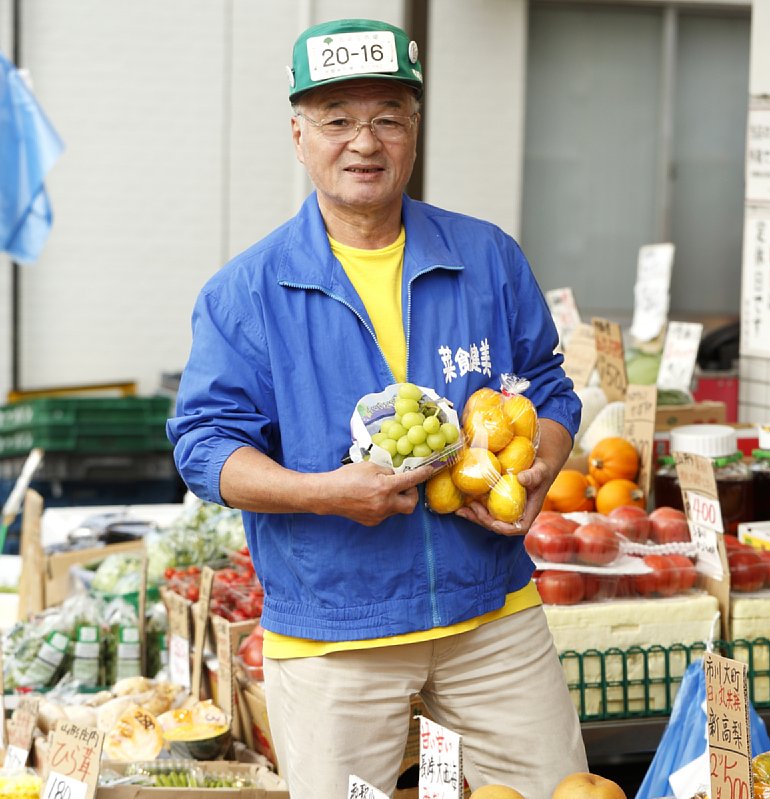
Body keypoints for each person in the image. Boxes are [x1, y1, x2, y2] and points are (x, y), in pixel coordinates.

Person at [167, 17, 587, 798]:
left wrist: (541, 467)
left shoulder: (486, 256)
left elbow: (549, 385)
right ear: (298, 136)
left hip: (490, 611)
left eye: (386, 117)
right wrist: (326, 493)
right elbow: (204, 447)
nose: (363, 142)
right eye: (336, 121)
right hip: (334, 631)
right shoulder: (246, 291)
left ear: (414, 129)